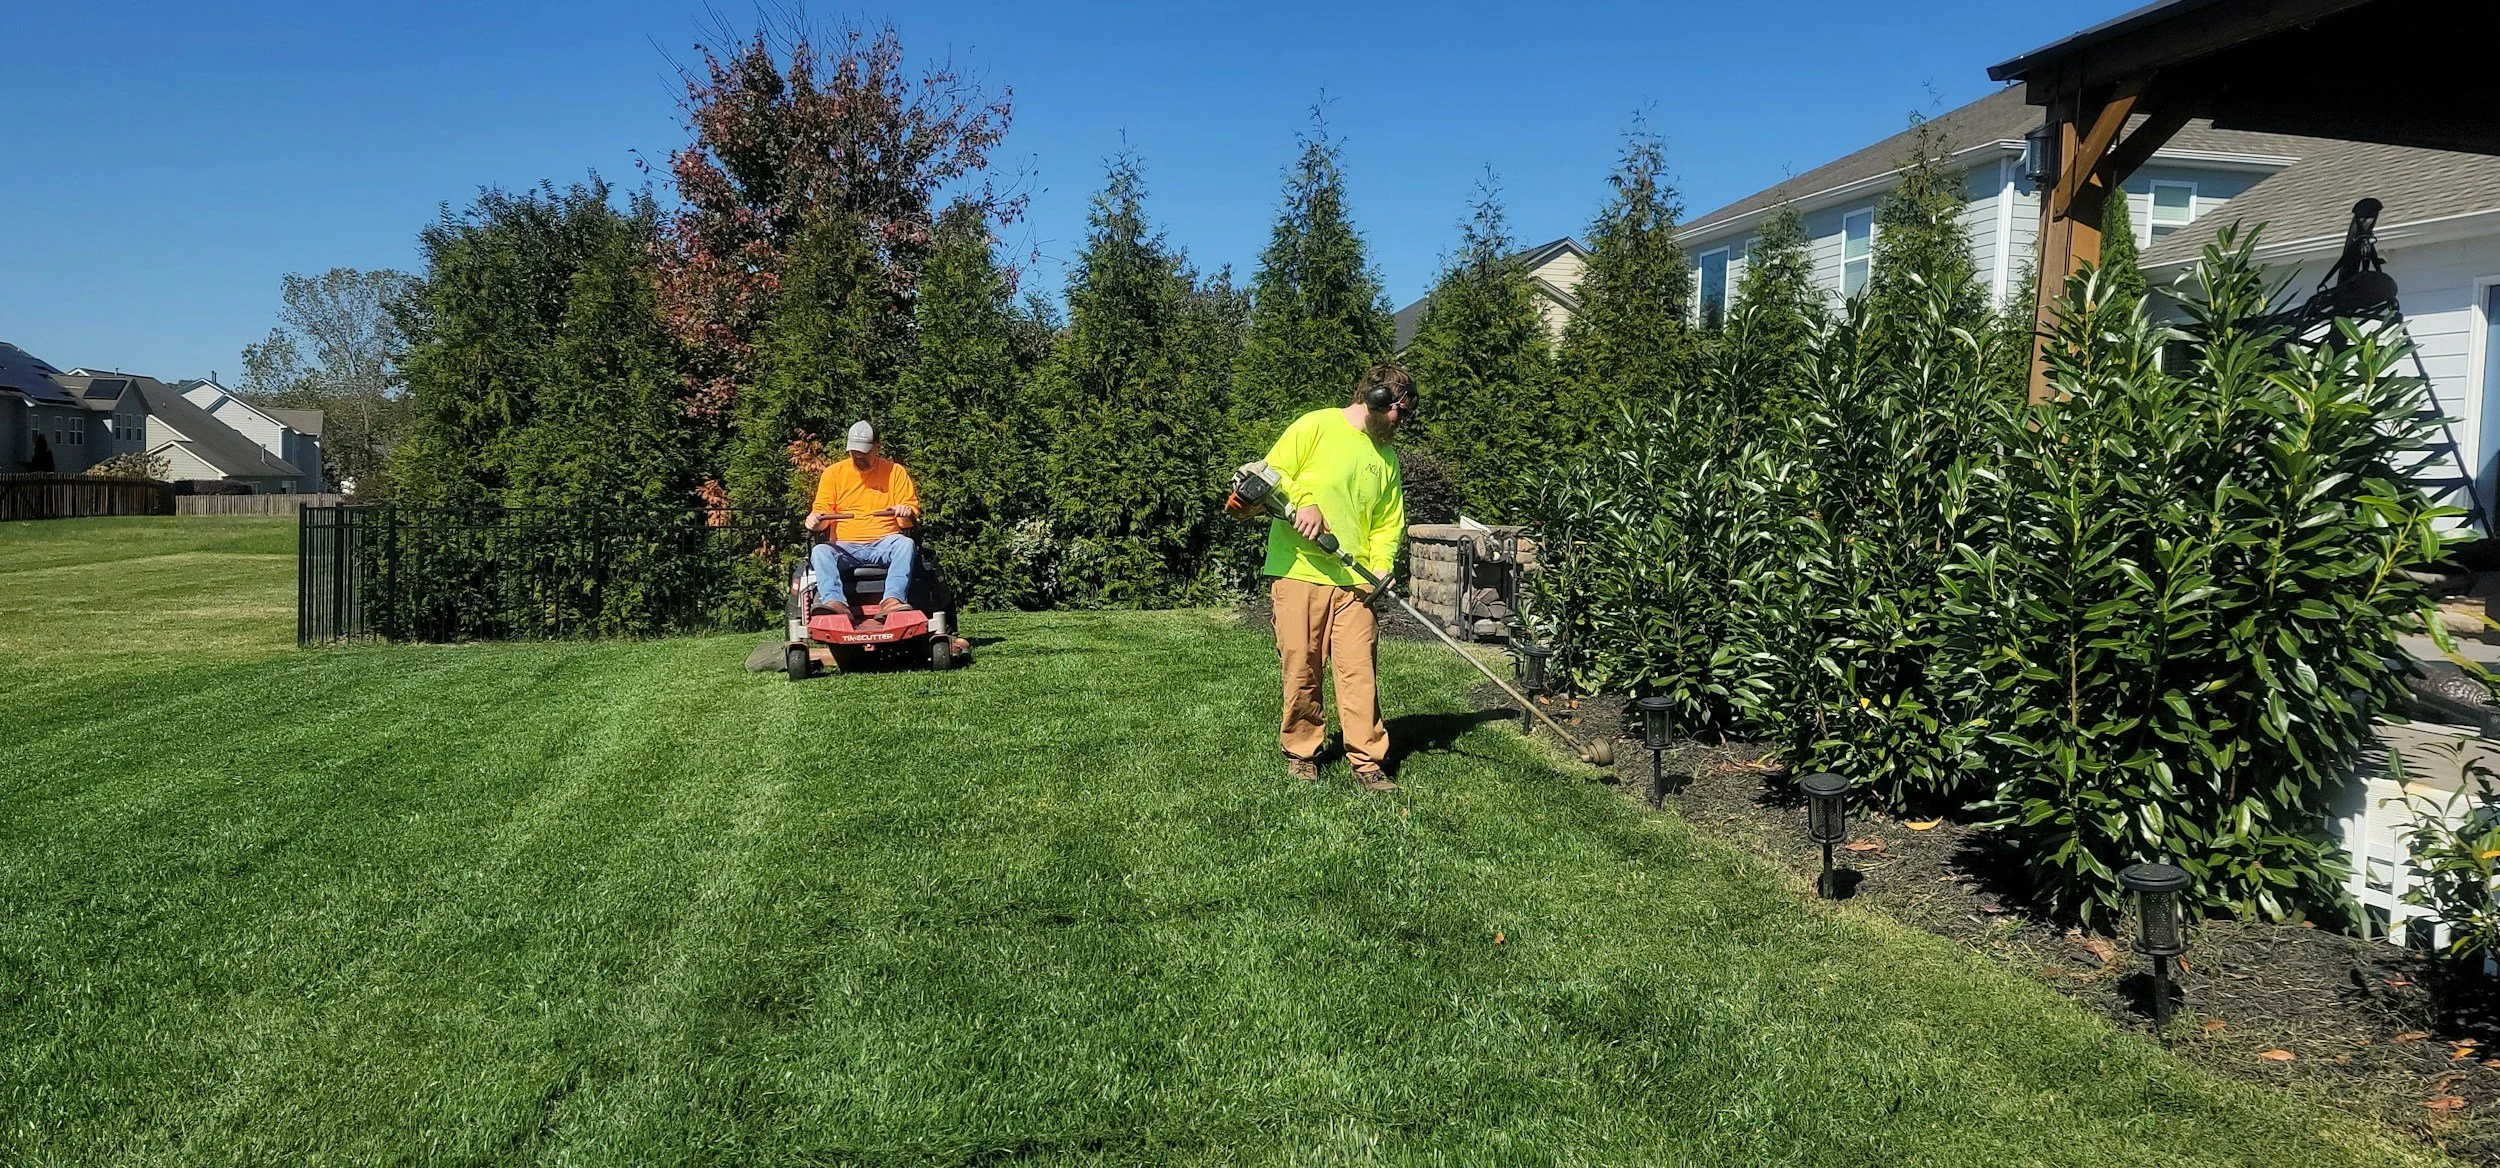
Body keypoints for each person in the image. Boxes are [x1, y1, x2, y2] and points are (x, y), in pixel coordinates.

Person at [1259, 364, 1413, 792]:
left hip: (1357, 583)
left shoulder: (1385, 458)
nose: (1401, 420)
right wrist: (1304, 502)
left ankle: (1367, 761)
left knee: (1358, 671)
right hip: (1300, 571)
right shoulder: (1316, 426)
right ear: (1376, 398)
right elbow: (1269, 473)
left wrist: (1382, 565)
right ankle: (1302, 752)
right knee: (1301, 667)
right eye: (1399, 409)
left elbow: (1387, 522)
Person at [805, 420, 920, 620]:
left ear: (877, 447)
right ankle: (835, 602)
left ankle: (892, 600)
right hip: (844, 546)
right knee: (820, 551)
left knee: (906, 544)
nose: (858, 455)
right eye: (854, 450)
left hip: (885, 542)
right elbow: (822, 517)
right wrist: (815, 521)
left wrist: (905, 511)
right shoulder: (833, 474)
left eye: (864, 451)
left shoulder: (895, 472)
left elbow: (908, 522)